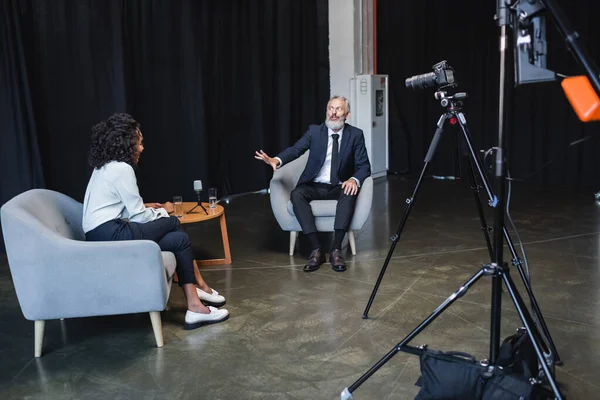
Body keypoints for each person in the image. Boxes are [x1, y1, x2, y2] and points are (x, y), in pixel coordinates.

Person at [82, 113, 229, 330]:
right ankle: (201, 285)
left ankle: (195, 306)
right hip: (111, 234)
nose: (142, 148)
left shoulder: (104, 166)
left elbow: (122, 208)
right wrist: (165, 212)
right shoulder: (122, 169)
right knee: (173, 223)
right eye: (139, 142)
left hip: (103, 233)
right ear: (126, 143)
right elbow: (138, 217)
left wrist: (151, 207)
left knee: (178, 240)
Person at [255, 96, 371, 272]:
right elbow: (296, 149)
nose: (333, 113)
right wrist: (276, 160)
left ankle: (336, 249)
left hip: (338, 185)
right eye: (330, 108)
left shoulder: (355, 135)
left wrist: (353, 179)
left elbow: (364, 166)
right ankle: (316, 249)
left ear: (347, 115)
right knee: (297, 195)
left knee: (349, 191)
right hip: (315, 185)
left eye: (338, 109)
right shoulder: (315, 132)